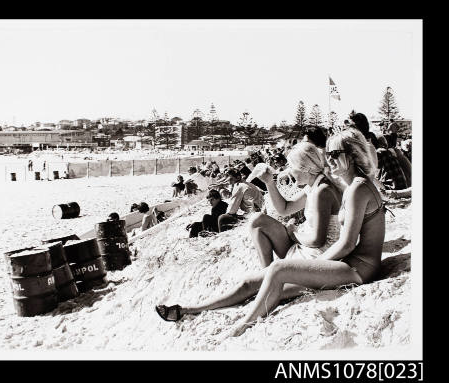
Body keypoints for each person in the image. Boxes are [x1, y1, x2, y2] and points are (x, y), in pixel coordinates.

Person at [155, 128, 387, 338]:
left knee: (279, 269)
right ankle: (187, 309)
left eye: (336, 154)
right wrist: (305, 269)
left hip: (359, 269)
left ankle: (243, 326)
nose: (330, 159)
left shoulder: (356, 189)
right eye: (329, 154)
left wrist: (308, 268)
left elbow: (346, 245)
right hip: (350, 264)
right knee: (252, 281)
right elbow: (289, 210)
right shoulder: (353, 186)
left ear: (352, 155)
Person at [247, 142, 342, 267]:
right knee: (257, 220)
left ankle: (267, 275)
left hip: (317, 254)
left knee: (258, 221)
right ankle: (267, 274)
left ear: (305, 168)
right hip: (308, 246)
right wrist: (269, 183)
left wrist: (293, 232)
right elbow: (285, 209)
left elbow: (318, 240)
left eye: (291, 167)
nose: (289, 172)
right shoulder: (315, 185)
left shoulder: (322, 191)